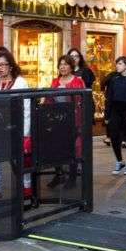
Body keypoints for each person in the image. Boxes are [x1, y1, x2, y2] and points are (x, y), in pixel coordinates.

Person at [0, 49, 30, 200]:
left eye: (3, 64)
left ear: (11, 66)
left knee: (19, 159)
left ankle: (26, 187)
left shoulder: (20, 82)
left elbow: (27, 107)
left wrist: (26, 131)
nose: (0, 67)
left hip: (15, 126)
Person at [46, 55, 86, 189]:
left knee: (72, 148)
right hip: (58, 121)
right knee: (54, 147)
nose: (62, 67)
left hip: (73, 121)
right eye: (60, 64)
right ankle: (59, 174)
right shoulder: (55, 81)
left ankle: (72, 177)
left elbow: (82, 101)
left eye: (65, 64)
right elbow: (49, 100)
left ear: (71, 66)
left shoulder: (77, 81)